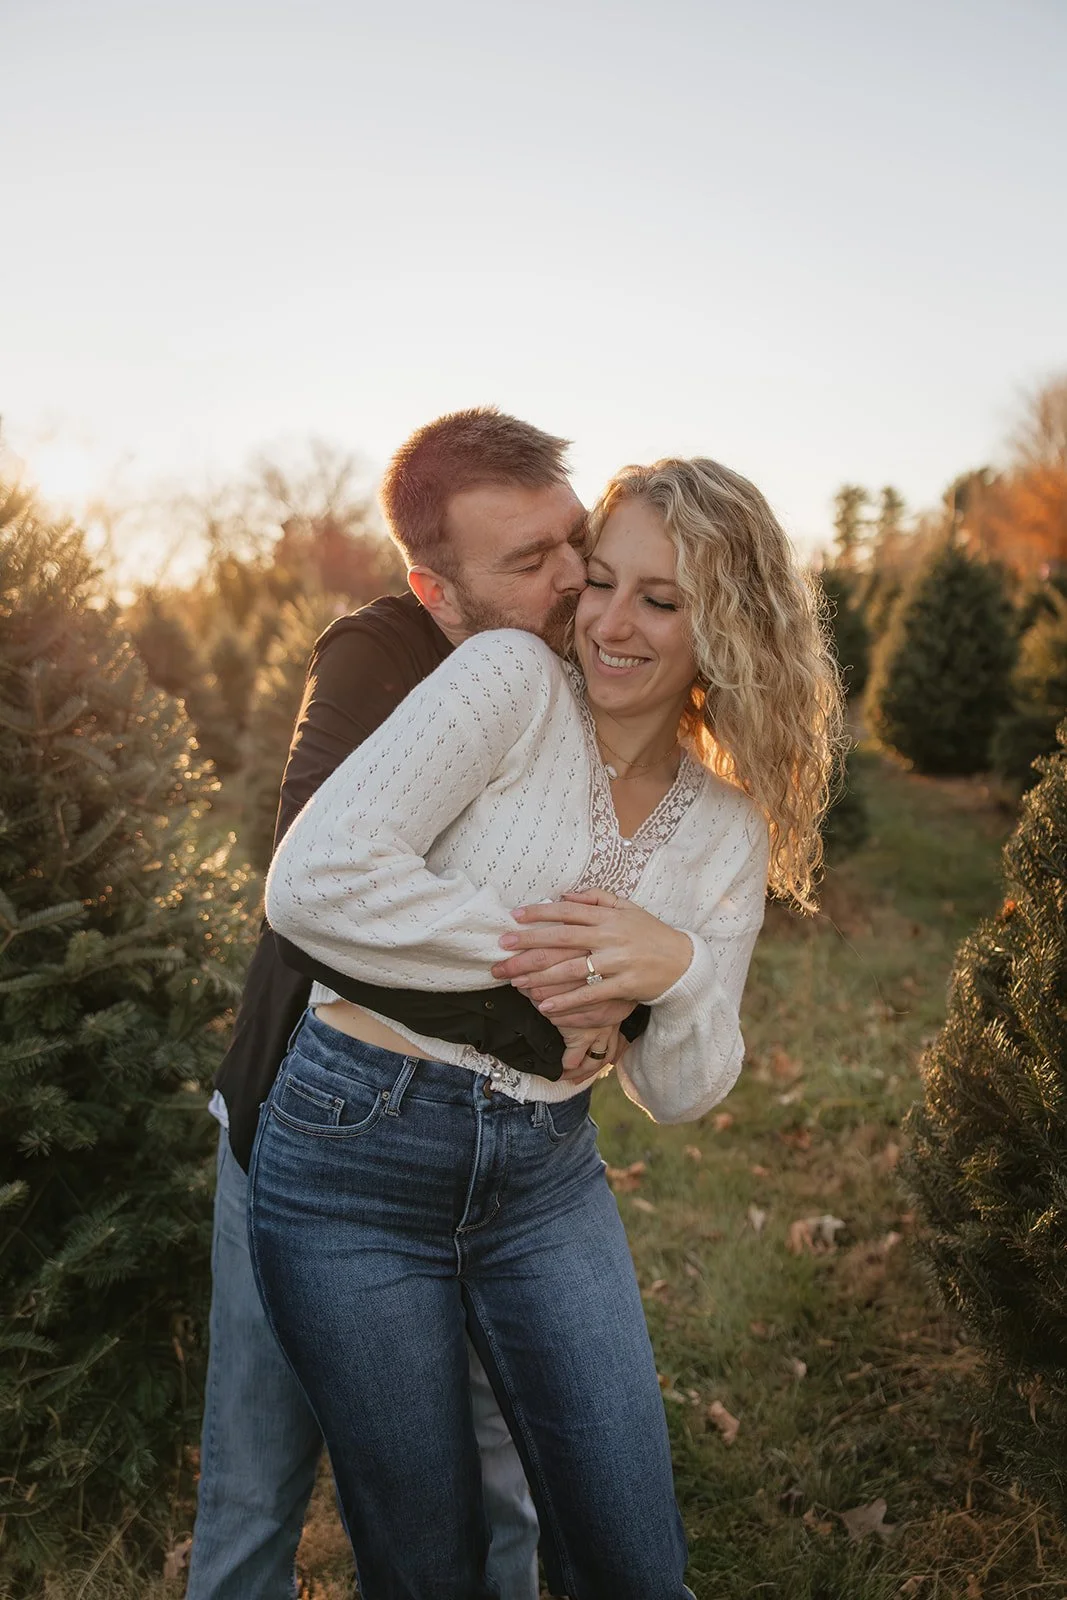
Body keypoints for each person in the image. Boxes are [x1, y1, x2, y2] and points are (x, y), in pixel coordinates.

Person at [251, 456, 844, 1599]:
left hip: (543, 1176)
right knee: (423, 1564)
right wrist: (564, 966)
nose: (609, 624)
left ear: (725, 627)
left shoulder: (723, 829)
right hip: (353, 1154)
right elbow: (314, 880)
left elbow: (679, 1089)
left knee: (633, 1561)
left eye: (660, 600)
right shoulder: (510, 681)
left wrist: (673, 971)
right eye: (599, 581)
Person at [185, 409, 646, 1600]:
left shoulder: (578, 668)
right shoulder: (376, 655)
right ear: (435, 589)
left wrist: (629, 995)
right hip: (306, 1125)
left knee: (498, 1473)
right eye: (527, 560)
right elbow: (318, 893)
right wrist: (560, 1001)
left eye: (573, 537)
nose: (572, 578)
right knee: (256, 1478)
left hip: (499, 1151)